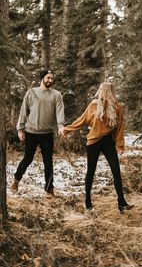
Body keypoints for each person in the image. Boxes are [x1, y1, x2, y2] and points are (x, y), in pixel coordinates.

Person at [62, 82, 134, 214]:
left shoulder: (117, 107)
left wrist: (120, 146)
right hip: (93, 141)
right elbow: (82, 120)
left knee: (116, 171)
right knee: (91, 171)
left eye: (101, 89)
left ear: (106, 91)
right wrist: (67, 129)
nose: (99, 91)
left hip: (107, 141)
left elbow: (119, 128)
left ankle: (122, 203)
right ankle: (88, 203)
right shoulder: (94, 105)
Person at [11, 69, 65, 198]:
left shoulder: (56, 95)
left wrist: (61, 125)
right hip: (31, 132)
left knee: (48, 161)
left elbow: (59, 111)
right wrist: (20, 129)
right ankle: (16, 181)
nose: (50, 80)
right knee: (28, 158)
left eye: (52, 78)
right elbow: (23, 111)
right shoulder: (31, 93)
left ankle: (49, 189)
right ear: (42, 78)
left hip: (47, 133)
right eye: (48, 78)